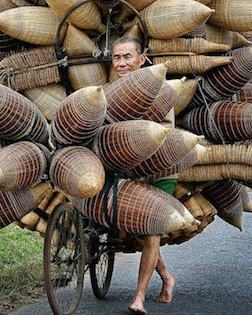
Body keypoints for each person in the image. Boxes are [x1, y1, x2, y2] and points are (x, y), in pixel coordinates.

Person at [110, 36, 177, 315]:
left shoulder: (159, 89)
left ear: (142, 59)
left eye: (128, 56)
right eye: (117, 57)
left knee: (150, 234)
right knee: (135, 233)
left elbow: (164, 132)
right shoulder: (110, 91)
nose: (122, 63)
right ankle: (167, 277)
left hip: (160, 169)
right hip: (129, 173)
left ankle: (138, 297)